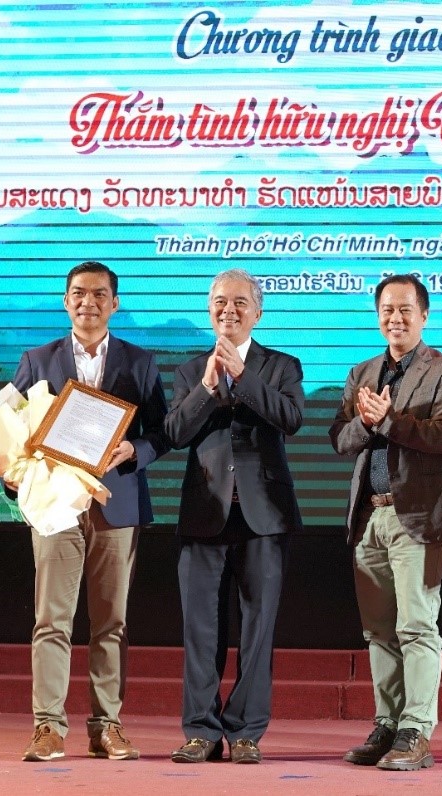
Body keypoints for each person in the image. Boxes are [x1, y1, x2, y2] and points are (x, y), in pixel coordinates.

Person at [14, 261, 170, 762]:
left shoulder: (139, 361)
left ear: (115, 303)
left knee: (112, 622)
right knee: (51, 620)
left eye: (100, 295)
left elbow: (162, 433)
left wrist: (135, 452)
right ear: (66, 301)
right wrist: (12, 471)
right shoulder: (37, 360)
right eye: (79, 294)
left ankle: (107, 725)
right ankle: (47, 727)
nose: (89, 303)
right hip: (56, 506)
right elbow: (11, 431)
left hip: (117, 502)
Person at [329, 274, 442, 772]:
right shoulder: (362, 371)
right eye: (387, 310)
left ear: (424, 315)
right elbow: (340, 440)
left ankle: (416, 729)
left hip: (419, 518)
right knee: (379, 632)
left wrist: (387, 422)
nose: (396, 319)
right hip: (370, 516)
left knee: (416, 624)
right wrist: (365, 424)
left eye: (406, 310)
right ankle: (387, 723)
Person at [165, 269, 304, 765]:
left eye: (240, 302)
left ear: (258, 311)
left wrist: (242, 379)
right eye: (220, 301)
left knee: (257, 628)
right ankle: (201, 730)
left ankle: (246, 731)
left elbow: (290, 418)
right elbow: (176, 433)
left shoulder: (281, 365)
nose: (229, 310)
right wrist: (206, 388)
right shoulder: (188, 370)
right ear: (209, 309)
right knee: (200, 630)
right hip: (205, 514)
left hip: (264, 515)